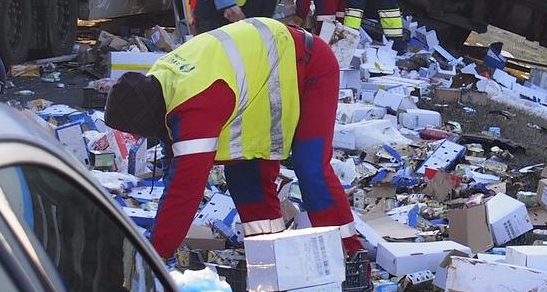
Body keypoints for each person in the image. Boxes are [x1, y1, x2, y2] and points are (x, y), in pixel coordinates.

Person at [103, 17, 359, 261]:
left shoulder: (195, 106)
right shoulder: (160, 81)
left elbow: (184, 191)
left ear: (147, 119)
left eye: (138, 131)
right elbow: (175, 172)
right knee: (245, 174)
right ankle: (273, 257)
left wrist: (154, 256)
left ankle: (350, 255)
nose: (141, 137)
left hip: (309, 65)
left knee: (310, 167)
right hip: (266, 79)